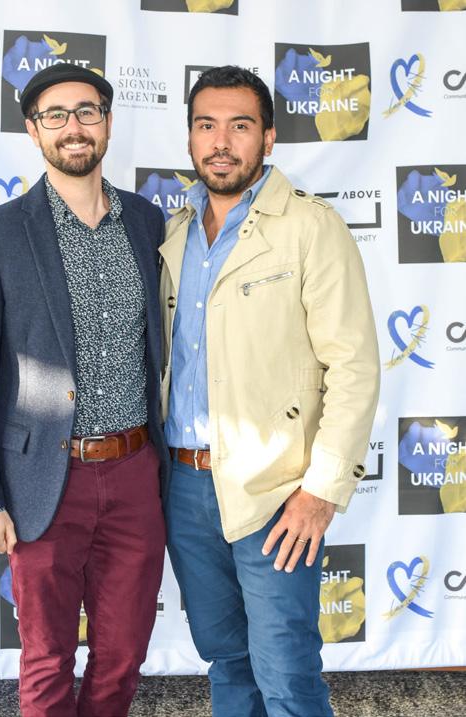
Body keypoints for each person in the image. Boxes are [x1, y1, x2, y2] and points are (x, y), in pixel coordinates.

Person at [159, 65, 380, 717]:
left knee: (286, 674)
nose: (221, 141)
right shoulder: (174, 232)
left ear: (269, 137)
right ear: (190, 137)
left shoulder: (311, 227)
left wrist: (321, 491)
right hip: (184, 485)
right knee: (227, 661)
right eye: (206, 125)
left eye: (240, 125)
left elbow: (354, 367)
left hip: (276, 489)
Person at [0, 63, 168, 717]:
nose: (73, 126)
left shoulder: (148, 223)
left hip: (135, 473)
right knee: (46, 659)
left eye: (86, 111)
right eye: (56, 115)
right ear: (33, 129)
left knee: (123, 655)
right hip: (42, 480)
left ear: (107, 122)